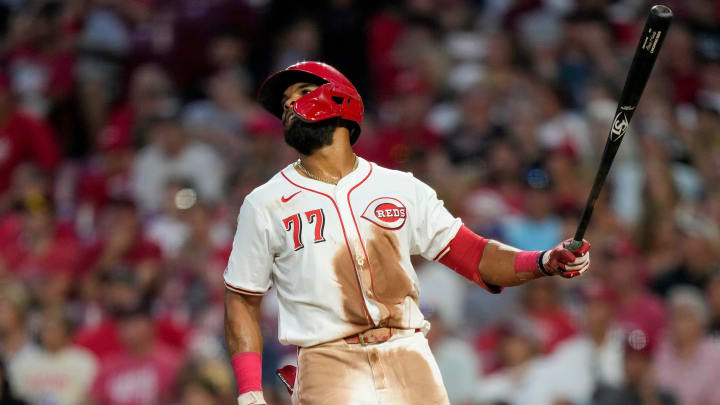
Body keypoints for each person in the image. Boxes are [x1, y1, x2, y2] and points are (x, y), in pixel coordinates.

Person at [223, 61, 591, 405]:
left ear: (337, 97)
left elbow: (475, 257)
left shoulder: (400, 187)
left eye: (300, 93)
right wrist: (250, 391)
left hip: (407, 352)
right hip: (327, 359)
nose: (288, 107)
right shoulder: (265, 202)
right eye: (284, 103)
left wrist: (544, 260)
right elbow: (242, 296)